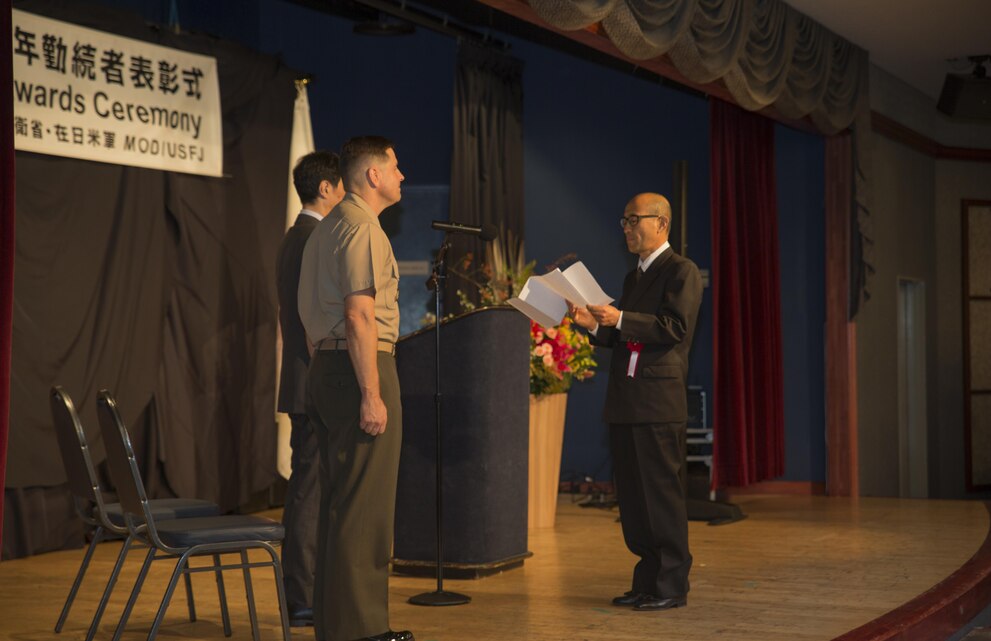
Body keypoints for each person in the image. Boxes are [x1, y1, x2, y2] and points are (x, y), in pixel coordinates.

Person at [297, 136, 412, 641]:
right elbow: (360, 314)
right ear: (373, 175)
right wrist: (370, 391)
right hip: (361, 365)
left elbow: (309, 320)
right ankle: (365, 630)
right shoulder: (363, 228)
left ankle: (337, 626)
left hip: (328, 366)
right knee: (365, 507)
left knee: (340, 504)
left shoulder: (327, 228)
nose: (402, 175)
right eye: (395, 166)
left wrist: (333, 371)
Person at [569, 192, 703, 612]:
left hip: (657, 402)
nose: (627, 228)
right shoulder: (635, 278)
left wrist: (621, 317)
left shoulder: (681, 270)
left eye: (634, 220)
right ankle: (647, 582)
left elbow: (673, 327)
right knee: (633, 500)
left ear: (661, 223)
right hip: (628, 399)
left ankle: (671, 585)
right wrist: (594, 325)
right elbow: (624, 337)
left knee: (660, 497)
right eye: (624, 221)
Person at [276, 150, 346, 627]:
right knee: (308, 491)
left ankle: (307, 592)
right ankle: (302, 597)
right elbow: (311, 321)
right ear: (325, 189)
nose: (345, 195)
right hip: (313, 382)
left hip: (304, 381)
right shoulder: (312, 238)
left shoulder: (295, 236)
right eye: (341, 187)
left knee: (311, 489)